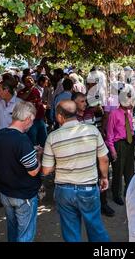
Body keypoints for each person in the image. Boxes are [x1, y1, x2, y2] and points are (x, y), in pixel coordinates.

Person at [42, 100, 110, 242]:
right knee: (96, 229)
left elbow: (46, 170)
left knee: (71, 232)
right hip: (88, 189)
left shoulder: (52, 137)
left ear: (60, 116)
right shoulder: (92, 131)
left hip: (64, 191)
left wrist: (59, 162)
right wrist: (104, 177)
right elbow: (103, 159)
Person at [0, 101, 42, 242]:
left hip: (5, 193)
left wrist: (31, 152)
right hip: (23, 195)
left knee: (12, 230)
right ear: (27, 119)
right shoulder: (22, 140)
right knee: (25, 234)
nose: (32, 124)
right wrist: (38, 156)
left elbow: (10, 157)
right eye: (32, 121)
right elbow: (33, 171)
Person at [73, 92, 115, 217]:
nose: (85, 103)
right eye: (82, 101)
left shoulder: (91, 113)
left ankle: (103, 204)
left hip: (95, 151)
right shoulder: (71, 118)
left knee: (102, 176)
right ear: (74, 103)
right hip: (80, 154)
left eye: (85, 101)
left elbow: (98, 128)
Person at [105, 88, 135, 206]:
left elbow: (130, 128)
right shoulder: (114, 114)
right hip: (119, 144)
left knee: (129, 170)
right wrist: (112, 150)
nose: (131, 102)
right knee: (118, 170)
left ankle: (129, 192)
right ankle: (116, 194)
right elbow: (110, 134)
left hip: (130, 142)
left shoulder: (129, 113)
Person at [18, 75, 47, 146]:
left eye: (31, 79)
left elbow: (39, 103)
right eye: (28, 81)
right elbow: (23, 97)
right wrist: (31, 89)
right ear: (24, 83)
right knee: (33, 142)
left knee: (44, 141)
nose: (30, 81)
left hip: (40, 119)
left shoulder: (36, 90)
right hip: (30, 121)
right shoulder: (21, 92)